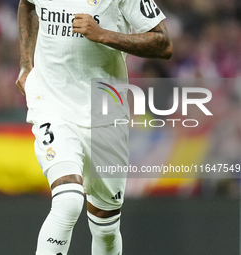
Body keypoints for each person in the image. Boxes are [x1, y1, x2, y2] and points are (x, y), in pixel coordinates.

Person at [16, 0, 173, 254]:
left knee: (105, 225)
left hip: (105, 112)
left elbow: (164, 43)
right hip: (52, 101)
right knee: (67, 200)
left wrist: (102, 35)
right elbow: (27, 4)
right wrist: (26, 62)